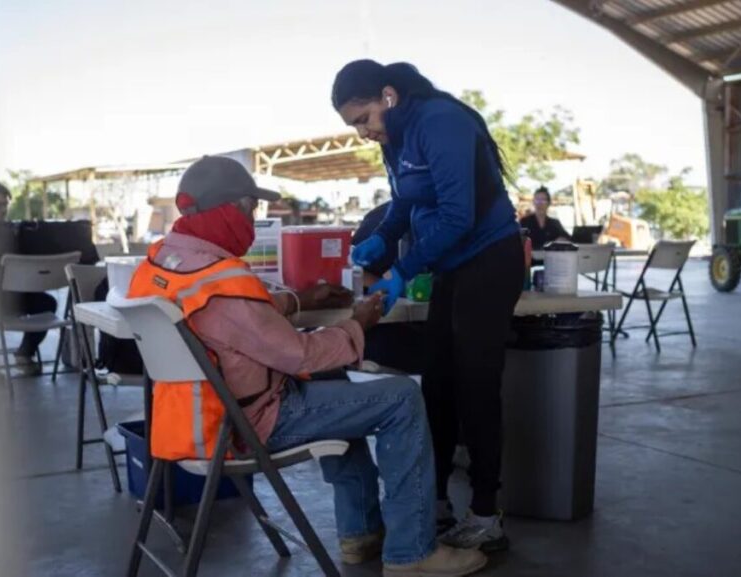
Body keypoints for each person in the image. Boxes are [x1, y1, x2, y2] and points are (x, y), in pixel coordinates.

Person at [127, 156, 486, 577]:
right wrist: (358, 324)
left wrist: (301, 300)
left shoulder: (163, 263)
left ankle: (361, 533)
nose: (253, 218)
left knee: (335, 383)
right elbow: (299, 355)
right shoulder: (221, 278)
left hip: (194, 418)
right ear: (227, 209)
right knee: (401, 397)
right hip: (249, 423)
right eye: (249, 208)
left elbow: (230, 320)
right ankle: (412, 553)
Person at [334, 60, 524, 552]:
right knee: (437, 384)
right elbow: (403, 202)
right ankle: (436, 504)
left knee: (476, 384)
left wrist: (403, 271)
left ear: (389, 96)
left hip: (489, 257)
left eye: (363, 118)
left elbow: (459, 215)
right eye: (353, 124)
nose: (362, 132)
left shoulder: (442, 122)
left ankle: (486, 514)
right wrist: (381, 240)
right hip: (452, 265)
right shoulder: (393, 140)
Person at [0, 180, 57, 374]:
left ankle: (25, 353)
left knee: (47, 303)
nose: (4, 209)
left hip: (16, 295)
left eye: (6, 205)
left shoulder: (13, 231)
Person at [353, 201, 427, 375]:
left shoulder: (450, 211)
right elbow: (355, 270)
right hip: (387, 329)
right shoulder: (380, 217)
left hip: (426, 325)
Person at [519, 186, 570, 250]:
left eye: (543, 200)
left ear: (548, 203)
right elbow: (519, 243)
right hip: (530, 258)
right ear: (533, 202)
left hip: (552, 258)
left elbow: (569, 239)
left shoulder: (555, 223)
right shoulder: (524, 222)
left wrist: (563, 240)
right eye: (537, 200)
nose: (540, 203)